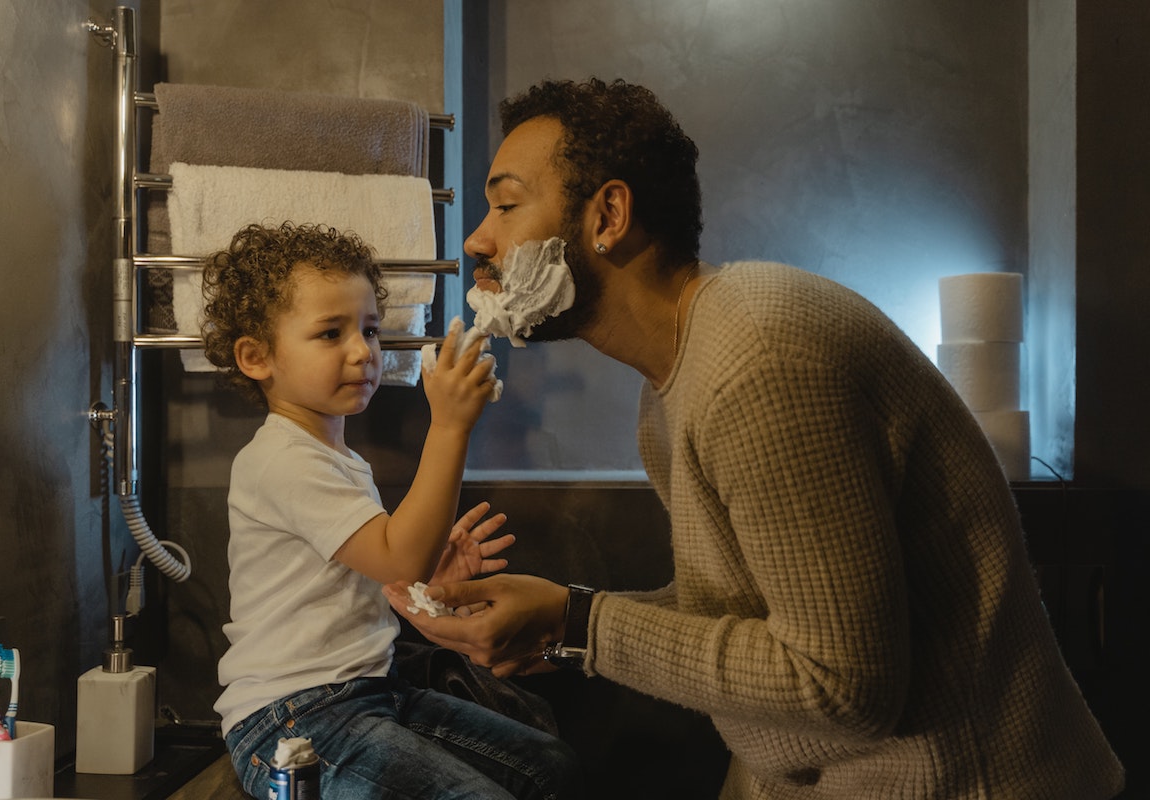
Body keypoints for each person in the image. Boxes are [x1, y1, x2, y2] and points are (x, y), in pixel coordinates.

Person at [385, 78, 1126, 798]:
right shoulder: (677, 375)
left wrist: (579, 624)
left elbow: (844, 685)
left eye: (507, 203)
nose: (479, 238)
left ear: (608, 215)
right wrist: (559, 627)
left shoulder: (758, 362)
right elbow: (746, 615)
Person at [201, 221, 582, 800]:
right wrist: (450, 426)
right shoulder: (281, 459)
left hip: (367, 692)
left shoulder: (334, 457)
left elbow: (381, 569)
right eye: (330, 334)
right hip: (292, 720)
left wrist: (426, 578)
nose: (363, 351)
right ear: (257, 357)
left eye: (370, 330)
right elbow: (395, 550)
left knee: (549, 768)